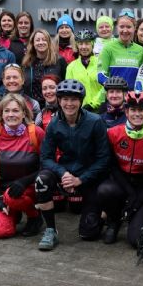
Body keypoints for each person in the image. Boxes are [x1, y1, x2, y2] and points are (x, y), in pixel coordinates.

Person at [35, 79, 110, 248]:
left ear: (81, 101)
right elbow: (46, 157)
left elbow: (104, 158)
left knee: (88, 233)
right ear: (59, 101)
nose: (69, 104)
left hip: (89, 175)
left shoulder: (95, 121)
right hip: (66, 171)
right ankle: (50, 230)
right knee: (42, 180)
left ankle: (105, 215)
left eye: (74, 99)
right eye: (65, 99)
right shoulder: (54, 123)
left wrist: (81, 179)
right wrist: (63, 173)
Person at [97, 91, 143, 244]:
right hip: (121, 181)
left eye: (141, 110)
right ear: (126, 112)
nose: (137, 114)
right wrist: (129, 192)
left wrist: (137, 201)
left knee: (135, 240)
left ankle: (133, 214)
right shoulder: (113, 133)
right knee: (105, 190)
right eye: (133, 110)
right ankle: (114, 222)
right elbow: (112, 165)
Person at [0, 93, 45, 238]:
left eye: (16, 110)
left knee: (12, 197)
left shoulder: (36, 133)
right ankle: (15, 211)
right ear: (1, 113)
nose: (11, 114)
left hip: (31, 188)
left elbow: (47, 166)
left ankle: (35, 216)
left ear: (24, 113)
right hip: (6, 191)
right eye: (7, 111)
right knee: (0, 232)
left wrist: (24, 182)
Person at [98, 10, 143, 92]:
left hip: (132, 100)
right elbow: (100, 76)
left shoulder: (141, 51)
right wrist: (116, 89)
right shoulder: (108, 48)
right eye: (122, 27)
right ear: (117, 28)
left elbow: (142, 78)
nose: (125, 30)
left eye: (129, 27)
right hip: (113, 98)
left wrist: (137, 92)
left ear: (134, 28)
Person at [23, 28, 67, 103]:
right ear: (33, 44)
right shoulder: (27, 63)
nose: (41, 42)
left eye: (44, 39)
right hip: (32, 106)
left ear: (49, 42)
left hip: (54, 105)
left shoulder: (59, 61)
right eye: (37, 40)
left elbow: (64, 83)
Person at [65, 29, 102, 111]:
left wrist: (93, 104)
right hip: (79, 111)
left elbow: (105, 87)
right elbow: (69, 90)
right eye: (80, 44)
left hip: (101, 110)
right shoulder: (71, 67)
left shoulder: (101, 64)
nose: (83, 47)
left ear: (92, 44)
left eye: (87, 43)